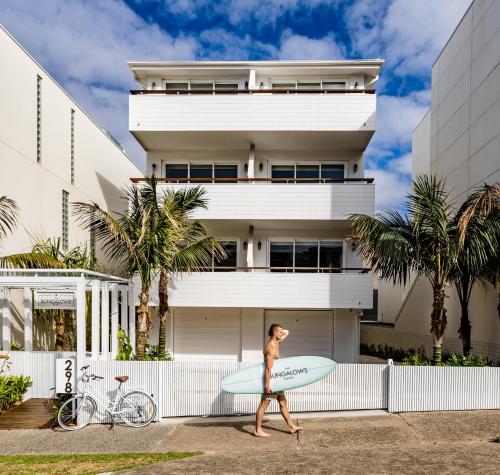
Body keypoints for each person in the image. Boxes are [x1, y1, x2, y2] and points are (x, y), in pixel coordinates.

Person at [254, 323, 303, 437]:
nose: (282, 333)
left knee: (283, 403)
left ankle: (291, 426)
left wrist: (280, 330)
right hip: (272, 381)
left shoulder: (277, 341)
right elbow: (267, 369)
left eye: (281, 332)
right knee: (264, 404)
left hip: (278, 379)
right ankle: (258, 430)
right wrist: (267, 385)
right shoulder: (271, 346)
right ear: (275, 333)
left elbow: (287, 332)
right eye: (280, 332)